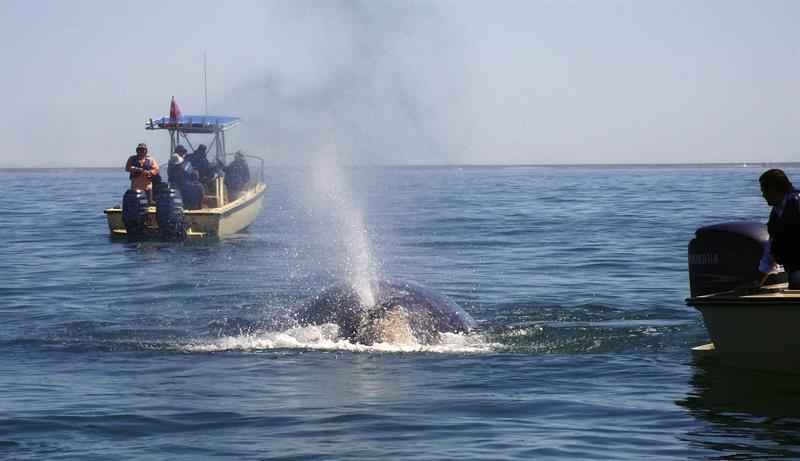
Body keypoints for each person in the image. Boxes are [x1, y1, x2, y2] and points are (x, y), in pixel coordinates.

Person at [747, 169, 800, 290]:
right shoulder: (777, 215)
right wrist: (757, 282)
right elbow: (770, 252)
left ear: (771, 189)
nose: (763, 195)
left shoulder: (797, 203)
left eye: (763, 191)